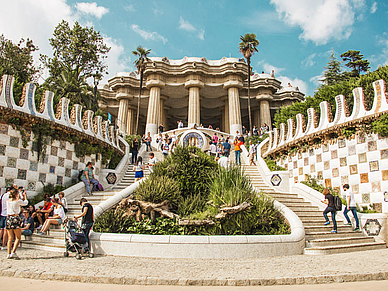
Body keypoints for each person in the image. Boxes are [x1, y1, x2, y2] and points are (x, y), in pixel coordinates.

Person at [6, 188, 28, 259]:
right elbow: (25, 203)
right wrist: (24, 196)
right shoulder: (18, 201)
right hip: (15, 218)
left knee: (10, 237)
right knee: (18, 237)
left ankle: (8, 253)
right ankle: (13, 252)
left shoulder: (8, 201)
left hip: (9, 218)